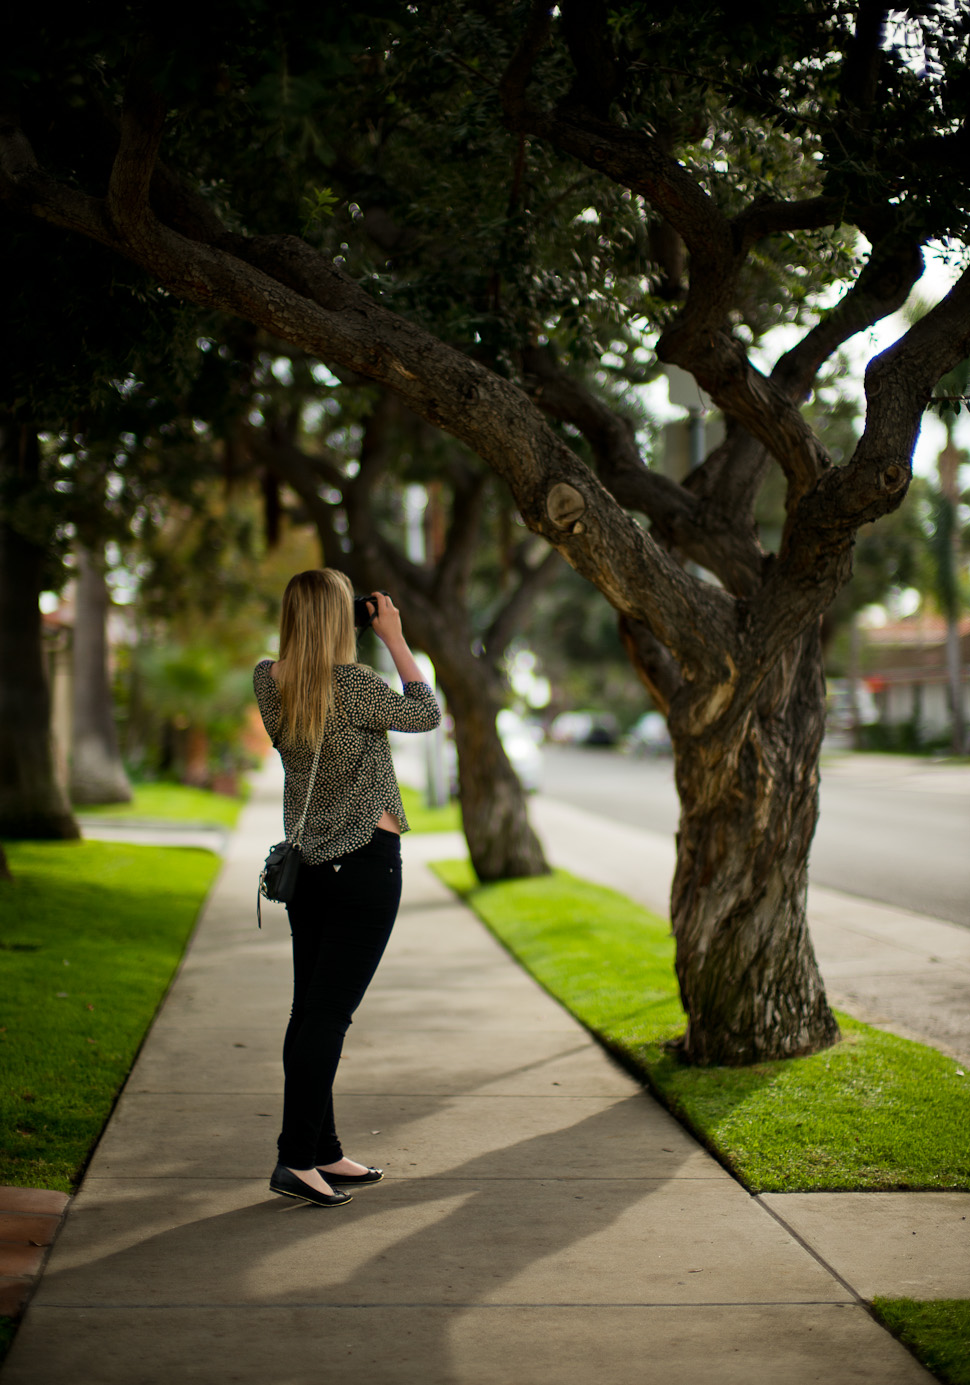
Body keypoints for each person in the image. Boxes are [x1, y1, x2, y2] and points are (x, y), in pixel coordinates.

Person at [253, 569, 441, 1208]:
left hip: (309, 870)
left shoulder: (269, 681)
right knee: (327, 1016)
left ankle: (323, 1148)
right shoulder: (354, 685)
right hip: (363, 865)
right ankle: (295, 1158)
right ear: (343, 620)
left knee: (310, 1012)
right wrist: (393, 636)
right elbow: (426, 712)